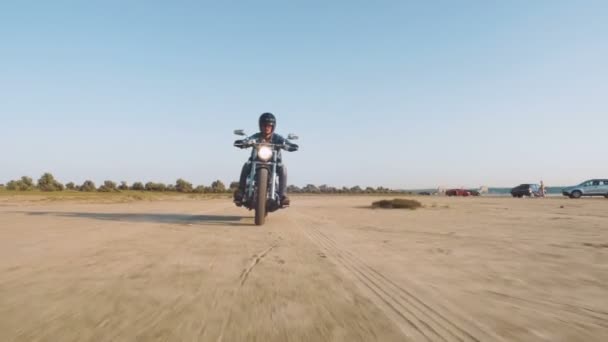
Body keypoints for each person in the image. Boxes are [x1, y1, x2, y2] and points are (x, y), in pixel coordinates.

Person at [233, 113, 298, 206]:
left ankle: (283, 195)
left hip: (274, 163)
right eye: (264, 125)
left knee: (283, 168)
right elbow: (249, 139)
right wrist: (244, 142)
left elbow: (286, 142)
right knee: (246, 165)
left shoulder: (277, 138)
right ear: (260, 126)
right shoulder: (256, 136)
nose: (266, 128)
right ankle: (241, 192)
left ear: (273, 127)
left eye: (269, 126)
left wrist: (290, 145)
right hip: (255, 162)